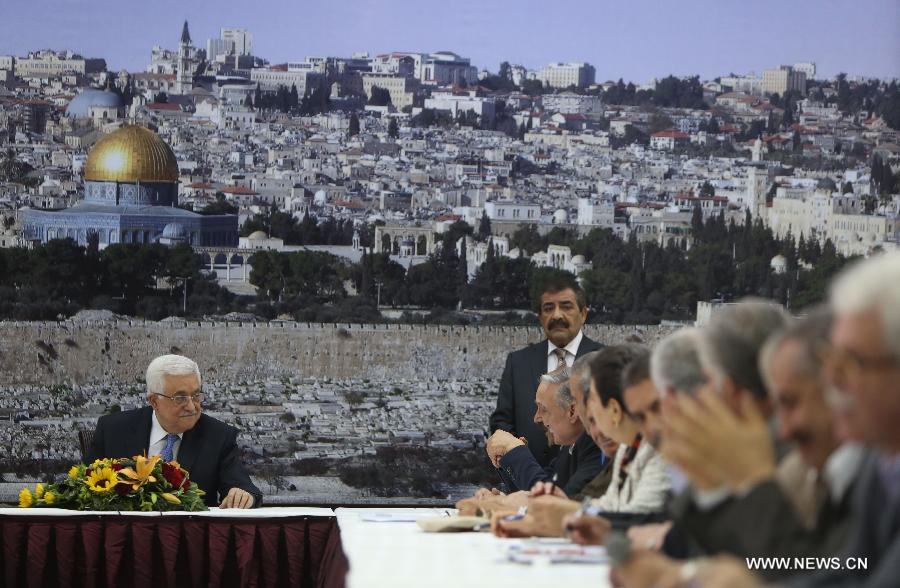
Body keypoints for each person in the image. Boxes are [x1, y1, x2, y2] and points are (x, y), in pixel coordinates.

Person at [86, 354, 262, 509]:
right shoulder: (113, 429)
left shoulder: (219, 436)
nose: (192, 406)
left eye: (195, 395)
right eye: (180, 398)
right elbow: (83, 487)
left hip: (192, 537)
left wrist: (242, 494)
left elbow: (244, 487)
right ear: (154, 401)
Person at [489, 275, 602, 466]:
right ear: (540, 317)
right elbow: (503, 421)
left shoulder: (604, 360)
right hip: (523, 486)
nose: (557, 316)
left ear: (583, 314)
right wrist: (514, 462)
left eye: (566, 307)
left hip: (586, 484)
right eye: (548, 309)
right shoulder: (518, 362)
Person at [488, 368, 603, 496]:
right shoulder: (570, 445)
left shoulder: (598, 445)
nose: (536, 418)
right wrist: (506, 500)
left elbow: (553, 501)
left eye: (544, 408)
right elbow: (548, 484)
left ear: (572, 410)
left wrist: (514, 450)